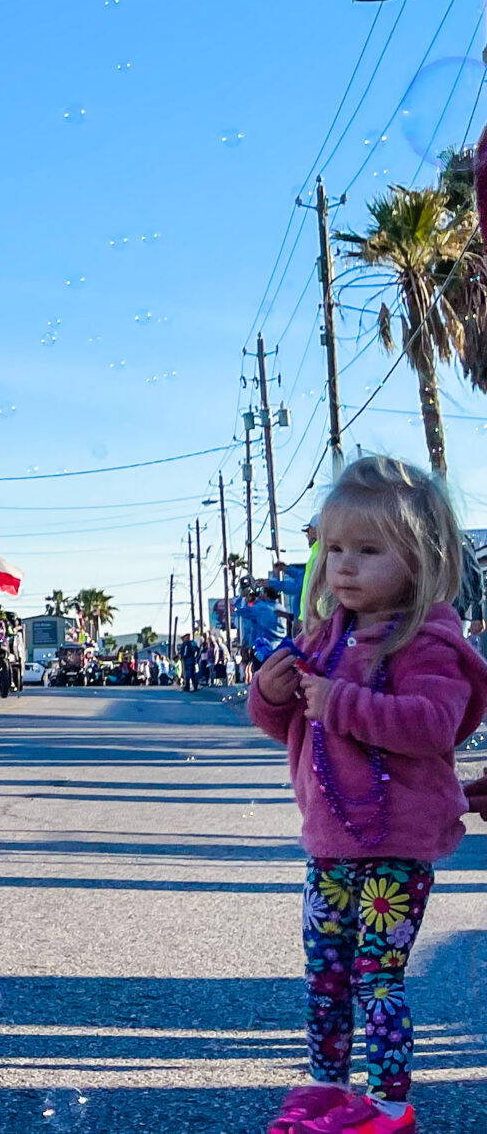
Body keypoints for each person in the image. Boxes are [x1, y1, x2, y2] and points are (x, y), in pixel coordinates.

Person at [247, 456, 487, 1133]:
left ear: (419, 557)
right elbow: (289, 722)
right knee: (325, 975)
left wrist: (342, 701)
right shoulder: (322, 637)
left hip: (396, 846)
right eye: (335, 549)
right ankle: (328, 1087)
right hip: (330, 841)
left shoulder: (428, 640)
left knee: (377, 978)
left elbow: (434, 724)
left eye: (368, 551)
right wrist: (269, 696)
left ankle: (389, 1104)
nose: (344, 566)